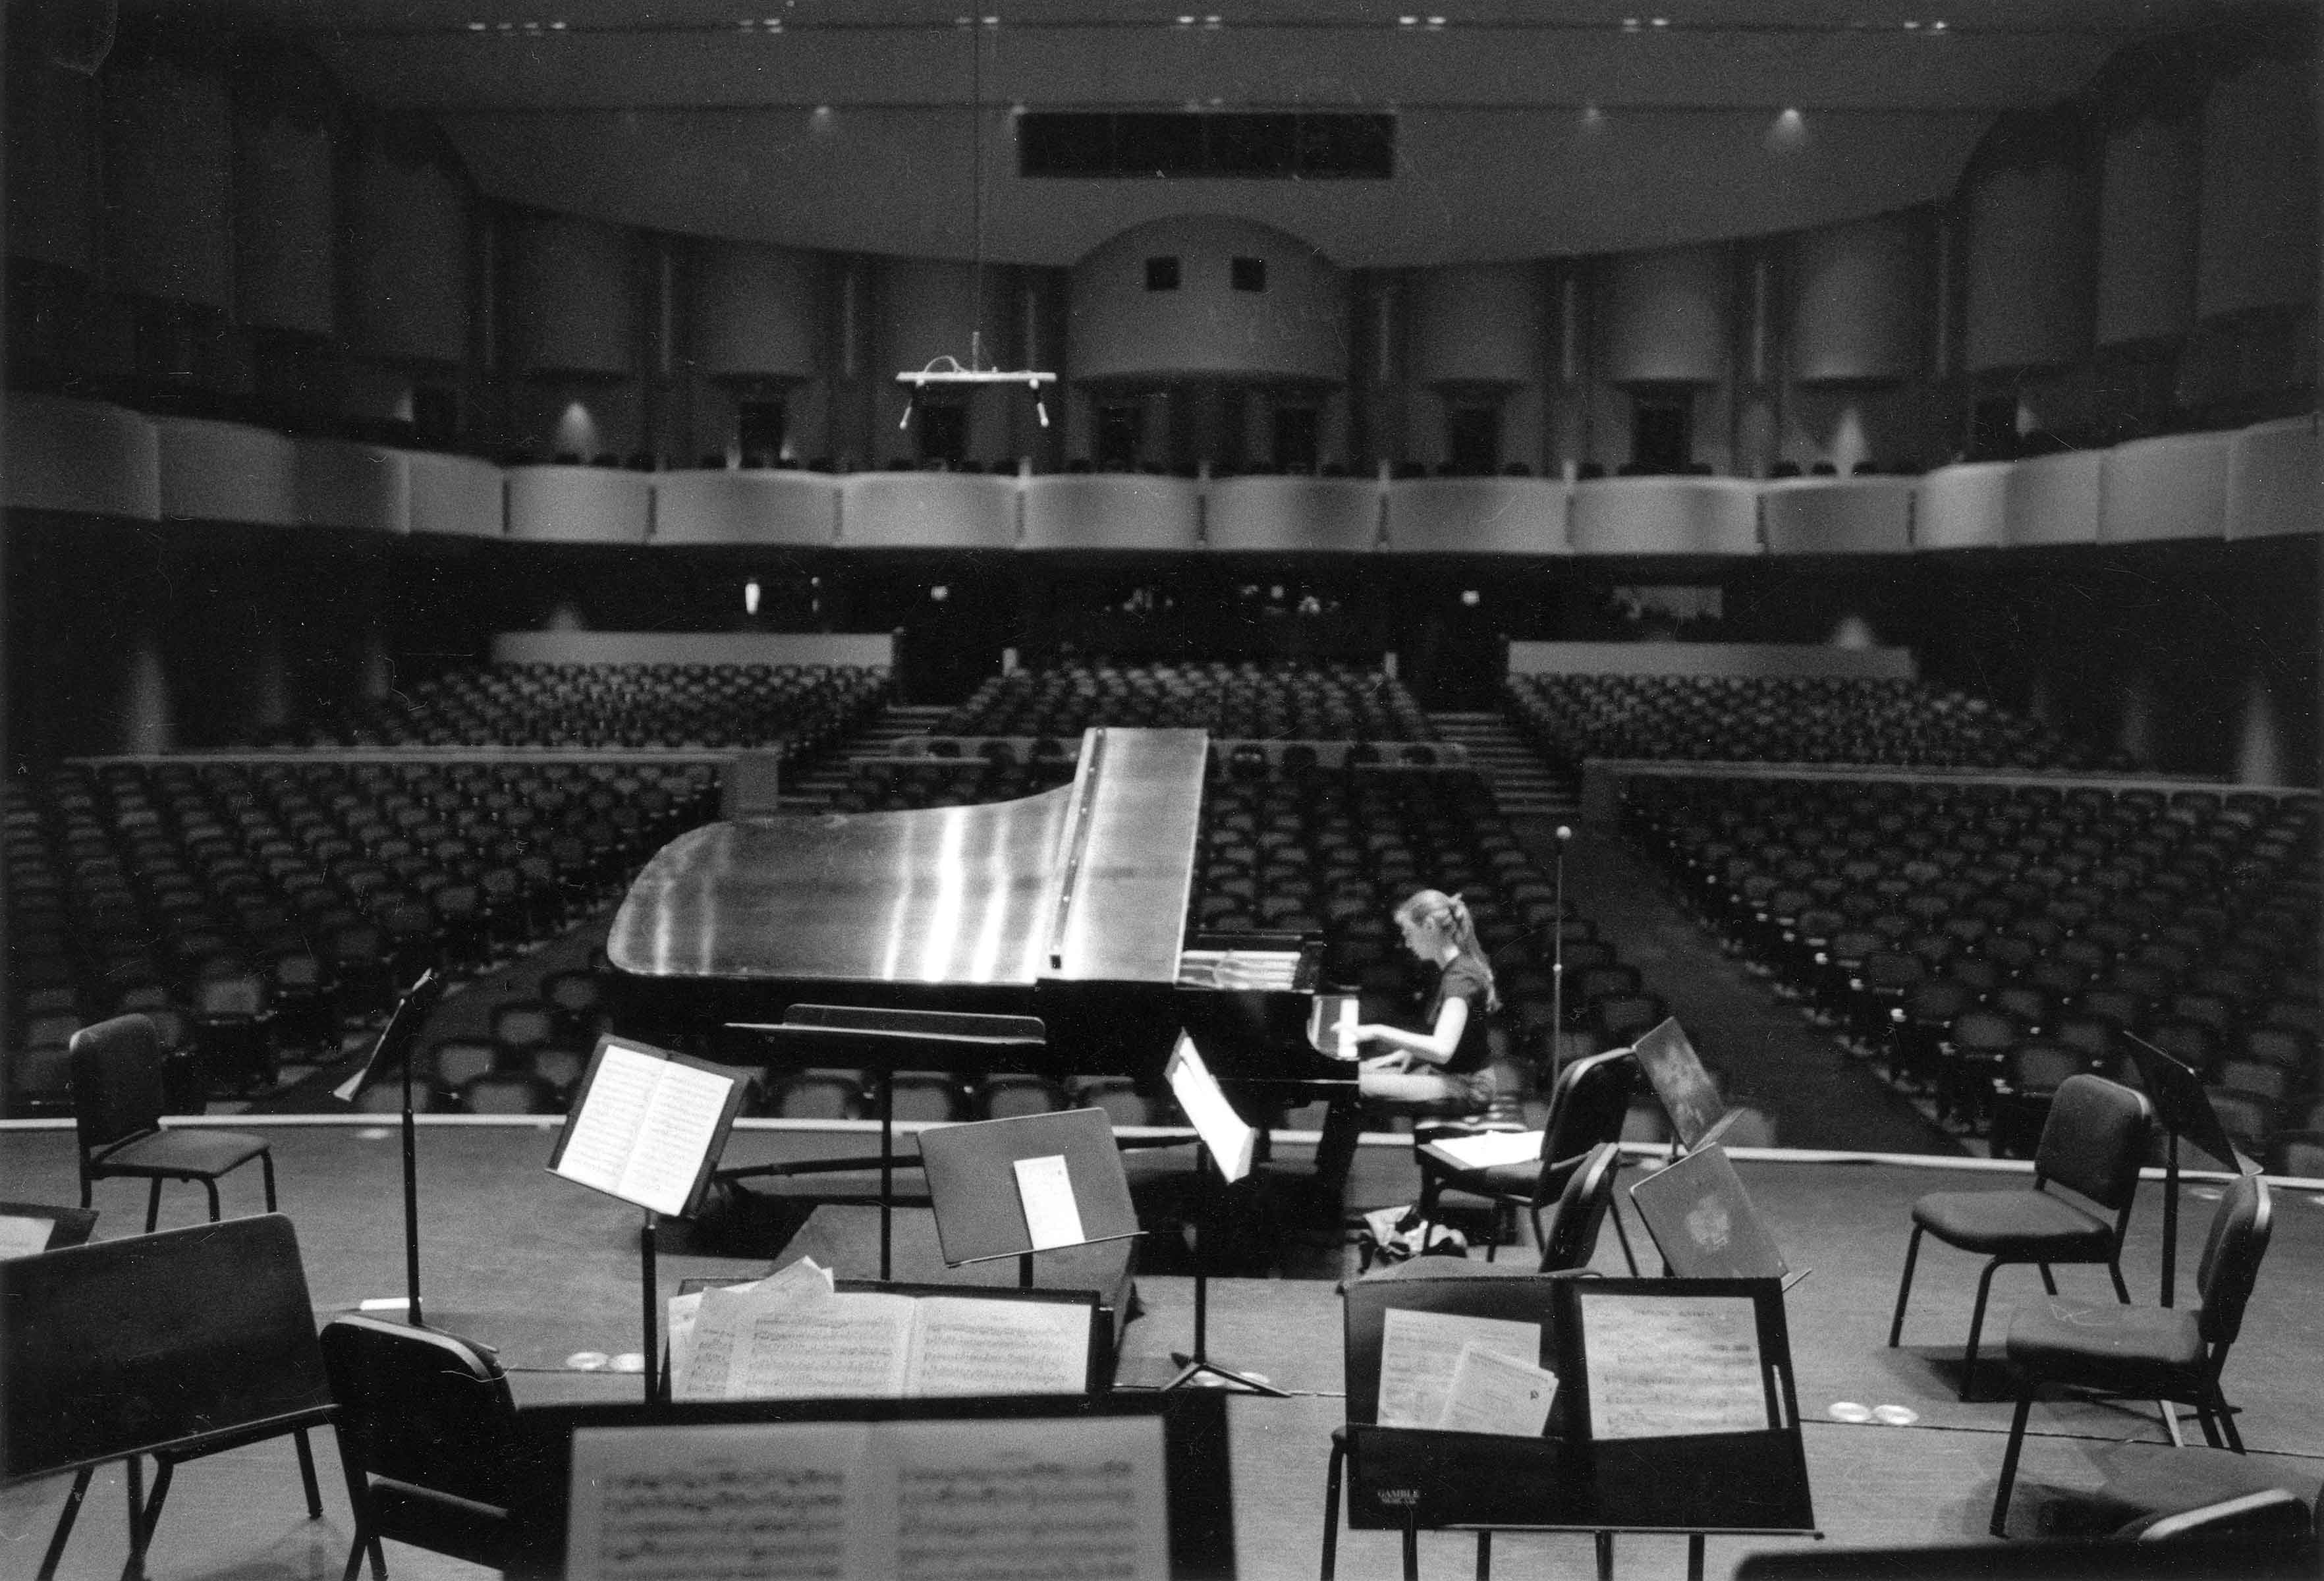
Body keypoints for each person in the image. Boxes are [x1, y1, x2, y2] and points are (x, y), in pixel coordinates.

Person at [1313, 889, 1501, 1189]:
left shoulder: (1460, 979)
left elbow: (1441, 1049)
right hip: (1450, 1074)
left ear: (1429, 927)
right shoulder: (1454, 968)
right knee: (1348, 1078)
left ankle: (1324, 1191)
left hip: (1468, 1086)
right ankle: (1324, 1182)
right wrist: (1405, 1054)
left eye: (1408, 932)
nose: (1405, 942)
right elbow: (1458, 1041)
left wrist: (1378, 1031)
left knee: (1353, 1090)